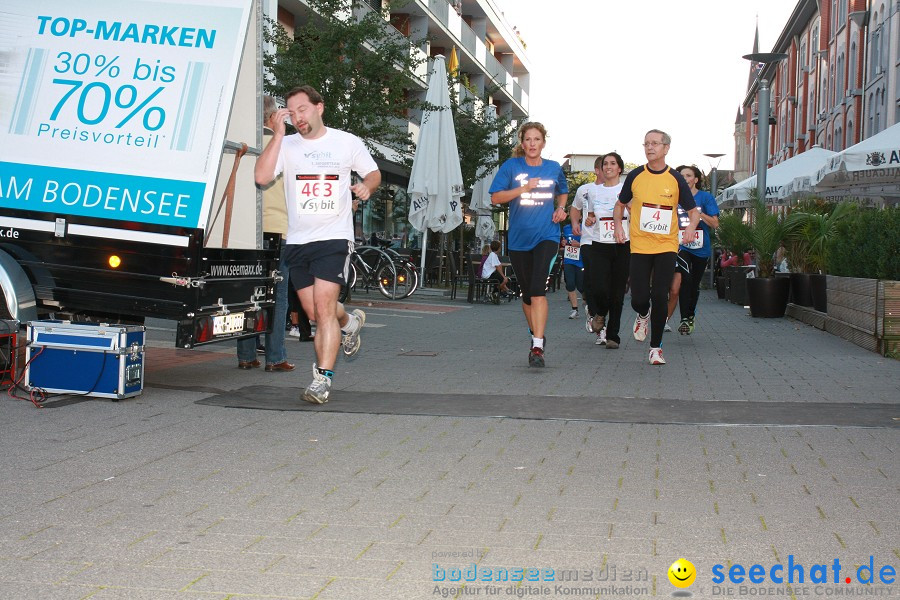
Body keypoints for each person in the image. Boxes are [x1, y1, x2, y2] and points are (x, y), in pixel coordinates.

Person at [255, 85, 381, 403]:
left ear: (319, 108)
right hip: (297, 240)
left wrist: (366, 187)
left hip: (334, 238)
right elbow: (260, 177)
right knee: (314, 313)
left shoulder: (346, 142)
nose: (298, 117)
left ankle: (322, 380)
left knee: (324, 310)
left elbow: (374, 173)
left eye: (303, 110)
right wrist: (278, 136)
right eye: (292, 112)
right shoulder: (286, 144)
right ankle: (349, 322)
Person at [614, 129, 699, 365]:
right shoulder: (636, 176)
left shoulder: (675, 178)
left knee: (660, 294)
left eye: (654, 143)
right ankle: (643, 314)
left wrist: (690, 227)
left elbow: (693, 212)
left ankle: (656, 348)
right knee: (639, 299)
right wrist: (619, 228)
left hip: (666, 245)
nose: (649, 147)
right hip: (640, 245)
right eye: (646, 143)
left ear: (666, 148)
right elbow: (620, 204)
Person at [489, 121, 568, 368]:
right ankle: (537, 334)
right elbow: (495, 197)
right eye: (528, 140)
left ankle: (537, 346)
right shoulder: (512, 166)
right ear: (522, 143)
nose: (532, 144)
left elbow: (562, 191)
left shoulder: (554, 168)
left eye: (537, 139)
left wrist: (561, 208)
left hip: (547, 236)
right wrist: (523, 188)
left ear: (543, 142)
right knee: (526, 294)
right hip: (520, 239)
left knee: (537, 290)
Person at [236, 95, 295, 373]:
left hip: (246, 230)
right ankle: (275, 357)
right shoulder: (281, 145)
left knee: (249, 294)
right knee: (277, 297)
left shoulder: (242, 145)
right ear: (274, 117)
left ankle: (246, 355)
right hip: (278, 229)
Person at [574, 152, 630, 349]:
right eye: (605, 163)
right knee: (599, 287)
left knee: (617, 292)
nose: (608, 167)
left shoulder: (627, 189)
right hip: (598, 243)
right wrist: (588, 219)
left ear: (619, 168)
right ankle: (599, 313)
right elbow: (590, 215)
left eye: (613, 163)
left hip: (623, 244)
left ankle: (613, 335)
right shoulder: (594, 191)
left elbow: (635, 214)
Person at [674, 165, 719, 335]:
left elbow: (715, 223)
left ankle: (690, 315)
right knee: (685, 278)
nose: (684, 178)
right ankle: (684, 318)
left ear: (695, 179)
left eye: (688, 175)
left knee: (693, 283)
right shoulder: (674, 198)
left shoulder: (705, 198)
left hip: (701, 247)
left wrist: (697, 214)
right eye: (681, 175)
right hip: (681, 246)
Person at [560, 222, 583, 319]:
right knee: (570, 284)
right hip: (569, 260)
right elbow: (563, 241)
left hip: (581, 261)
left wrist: (579, 244)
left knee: (582, 286)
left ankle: (588, 303)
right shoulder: (566, 228)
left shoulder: (585, 227)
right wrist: (563, 242)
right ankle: (575, 309)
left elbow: (591, 242)